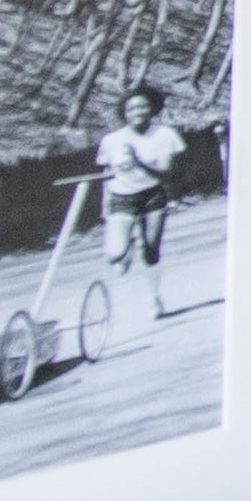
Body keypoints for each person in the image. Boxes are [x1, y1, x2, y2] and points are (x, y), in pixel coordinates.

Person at [89, 85, 188, 329]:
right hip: (121, 198)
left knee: (152, 248)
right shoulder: (112, 140)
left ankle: (153, 299)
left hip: (152, 194)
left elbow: (165, 173)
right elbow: (106, 174)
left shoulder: (165, 135)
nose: (138, 111)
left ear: (152, 109)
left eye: (143, 106)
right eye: (132, 108)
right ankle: (127, 244)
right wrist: (105, 208)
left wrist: (138, 162)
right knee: (115, 256)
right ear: (124, 112)